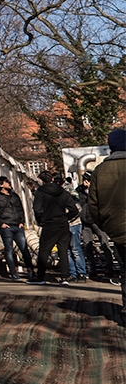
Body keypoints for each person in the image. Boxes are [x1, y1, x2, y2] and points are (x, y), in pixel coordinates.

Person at [88, 128, 125, 313]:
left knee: (125, 269)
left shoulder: (99, 171)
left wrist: (105, 225)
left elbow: (93, 205)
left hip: (116, 229)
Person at [28, 171, 78, 286]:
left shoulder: (41, 192)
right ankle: (65, 276)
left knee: (44, 250)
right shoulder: (63, 192)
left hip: (49, 224)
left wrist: (41, 221)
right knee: (63, 250)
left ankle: (40, 276)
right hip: (63, 224)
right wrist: (65, 218)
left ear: (41, 180)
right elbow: (74, 210)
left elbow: (37, 209)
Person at [0, 176, 34, 282]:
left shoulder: (15, 196)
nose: (9, 183)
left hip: (17, 226)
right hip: (6, 227)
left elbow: (20, 209)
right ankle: (14, 274)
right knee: (9, 250)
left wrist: (21, 221)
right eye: (7, 182)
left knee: (24, 249)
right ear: (1, 185)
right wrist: (1, 223)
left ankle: (31, 272)